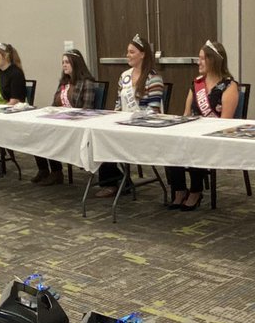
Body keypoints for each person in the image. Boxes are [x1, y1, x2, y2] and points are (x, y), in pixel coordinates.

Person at [165, 41, 239, 211]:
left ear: (214, 60)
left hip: (214, 136)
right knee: (171, 144)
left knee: (194, 146)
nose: (198, 62)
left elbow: (225, 122)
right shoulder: (196, 84)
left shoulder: (229, 86)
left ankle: (196, 191)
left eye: (202, 59)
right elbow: (186, 113)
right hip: (193, 132)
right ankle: (180, 189)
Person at [96, 34, 165, 197]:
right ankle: (114, 180)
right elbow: (118, 105)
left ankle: (117, 181)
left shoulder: (153, 78)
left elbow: (153, 111)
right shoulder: (124, 76)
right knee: (101, 135)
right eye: (127, 52)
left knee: (111, 139)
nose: (127, 55)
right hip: (124, 124)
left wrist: (133, 120)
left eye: (132, 52)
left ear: (143, 54)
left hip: (144, 127)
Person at [33, 49, 97, 185]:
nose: (64, 65)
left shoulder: (86, 82)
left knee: (48, 135)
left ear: (76, 63)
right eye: (63, 62)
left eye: (67, 62)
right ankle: (44, 169)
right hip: (60, 120)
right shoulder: (64, 83)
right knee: (37, 131)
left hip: (76, 123)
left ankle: (56, 172)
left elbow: (87, 109)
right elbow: (54, 103)